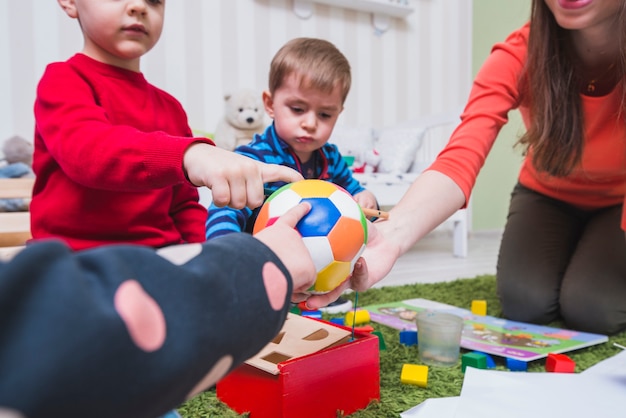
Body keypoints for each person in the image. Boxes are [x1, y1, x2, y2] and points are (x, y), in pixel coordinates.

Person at [310, 0, 626, 336]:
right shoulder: (519, 52)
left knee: (593, 310)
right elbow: (461, 155)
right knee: (525, 304)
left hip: (616, 204)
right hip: (546, 196)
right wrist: (391, 237)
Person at [0, 203, 320, 418]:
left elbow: (185, 208)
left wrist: (206, 255)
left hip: (160, 271)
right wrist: (259, 263)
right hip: (106, 273)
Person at [30, 0, 303, 251]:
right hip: (73, 260)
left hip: (160, 259)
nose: (139, 6)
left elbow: (184, 207)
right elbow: (88, 152)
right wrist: (190, 155)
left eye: (154, 0)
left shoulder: (170, 108)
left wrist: (210, 258)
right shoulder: (63, 80)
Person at [205, 37, 378, 314]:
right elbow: (222, 208)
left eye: (324, 114)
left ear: (338, 114)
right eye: (297, 109)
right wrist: (225, 256)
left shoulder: (330, 157)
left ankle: (322, 291)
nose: (310, 123)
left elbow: (353, 190)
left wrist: (366, 198)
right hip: (260, 267)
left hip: (319, 267)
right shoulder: (254, 158)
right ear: (270, 104)